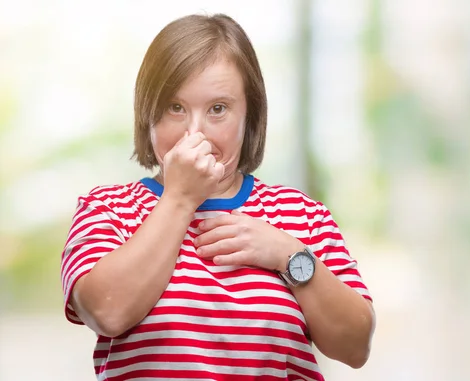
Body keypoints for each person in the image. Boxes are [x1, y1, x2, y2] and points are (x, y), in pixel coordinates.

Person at [60, 13, 375, 381]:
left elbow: (355, 347)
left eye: (218, 109)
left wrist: (287, 254)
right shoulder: (107, 210)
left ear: (249, 117)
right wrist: (179, 198)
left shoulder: (302, 214)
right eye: (175, 108)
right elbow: (107, 312)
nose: (195, 132)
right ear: (147, 114)